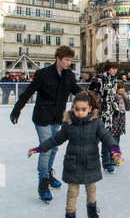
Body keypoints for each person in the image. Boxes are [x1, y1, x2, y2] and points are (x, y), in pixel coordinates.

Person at [27, 90, 121, 218]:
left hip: (91, 163)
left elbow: (106, 136)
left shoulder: (96, 123)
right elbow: (55, 140)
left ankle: (92, 212)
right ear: (72, 108)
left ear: (90, 109)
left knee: (91, 191)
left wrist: (114, 148)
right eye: (76, 109)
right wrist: (39, 148)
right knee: (72, 194)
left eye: (83, 109)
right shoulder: (68, 124)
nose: (80, 112)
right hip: (73, 164)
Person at [10, 46, 82, 202]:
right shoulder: (43, 74)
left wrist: (90, 98)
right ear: (58, 58)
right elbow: (28, 92)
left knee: (54, 147)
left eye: (70, 60)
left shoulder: (69, 75)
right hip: (42, 117)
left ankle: (48, 173)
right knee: (47, 147)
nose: (69, 63)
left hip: (57, 118)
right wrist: (17, 109)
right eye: (66, 60)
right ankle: (42, 181)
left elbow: (76, 90)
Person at [88, 59, 119, 173]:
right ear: (107, 68)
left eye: (116, 68)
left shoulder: (114, 80)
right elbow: (90, 93)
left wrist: (115, 108)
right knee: (95, 138)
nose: (114, 70)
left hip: (109, 113)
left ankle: (106, 162)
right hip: (99, 111)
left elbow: (113, 96)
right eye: (112, 68)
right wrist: (97, 105)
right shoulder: (98, 78)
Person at [110, 80, 130, 165]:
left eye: (123, 87)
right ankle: (112, 158)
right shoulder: (113, 96)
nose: (122, 90)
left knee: (117, 141)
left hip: (120, 122)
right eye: (120, 88)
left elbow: (129, 107)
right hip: (114, 121)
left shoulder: (123, 97)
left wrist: (127, 98)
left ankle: (115, 158)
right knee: (113, 141)